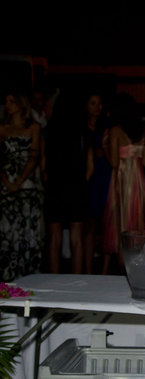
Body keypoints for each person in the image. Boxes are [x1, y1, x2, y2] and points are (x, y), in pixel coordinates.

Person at [102, 92, 145, 274]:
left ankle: (121, 267)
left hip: (122, 180)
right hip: (138, 182)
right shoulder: (144, 131)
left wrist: (105, 147)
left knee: (121, 220)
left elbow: (114, 163)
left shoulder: (115, 131)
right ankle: (136, 268)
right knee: (137, 221)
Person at [44, 92, 91, 274]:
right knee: (76, 238)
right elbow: (90, 168)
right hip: (76, 186)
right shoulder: (83, 131)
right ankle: (77, 278)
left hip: (55, 185)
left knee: (54, 238)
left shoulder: (49, 131)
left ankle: (54, 279)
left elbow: (43, 165)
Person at [0, 93, 45, 281]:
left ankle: (30, 278)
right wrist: (7, 182)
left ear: (21, 104)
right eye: (6, 102)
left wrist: (19, 181)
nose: (8, 105)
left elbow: (34, 157)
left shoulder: (34, 127)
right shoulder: (2, 129)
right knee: (8, 232)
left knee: (29, 233)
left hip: (28, 185)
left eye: (12, 101)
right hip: (6, 186)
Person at [84, 93, 111, 274]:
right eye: (93, 103)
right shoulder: (81, 127)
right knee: (89, 224)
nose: (97, 107)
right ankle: (87, 269)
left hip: (105, 174)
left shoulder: (106, 125)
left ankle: (104, 270)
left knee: (107, 223)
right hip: (89, 178)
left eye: (99, 103)